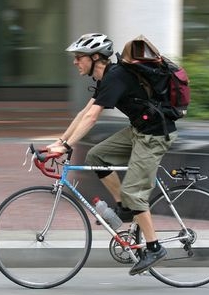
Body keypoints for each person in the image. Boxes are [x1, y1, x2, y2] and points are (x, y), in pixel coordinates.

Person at [47, 32, 178, 275]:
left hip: (155, 135)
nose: (75, 62)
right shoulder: (106, 78)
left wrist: (66, 147)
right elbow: (83, 114)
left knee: (134, 191)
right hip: (139, 130)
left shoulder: (116, 77)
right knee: (97, 157)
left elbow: (92, 117)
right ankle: (125, 207)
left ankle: (154, 247)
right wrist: (60, 141)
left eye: (79, 57)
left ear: (96, 58)